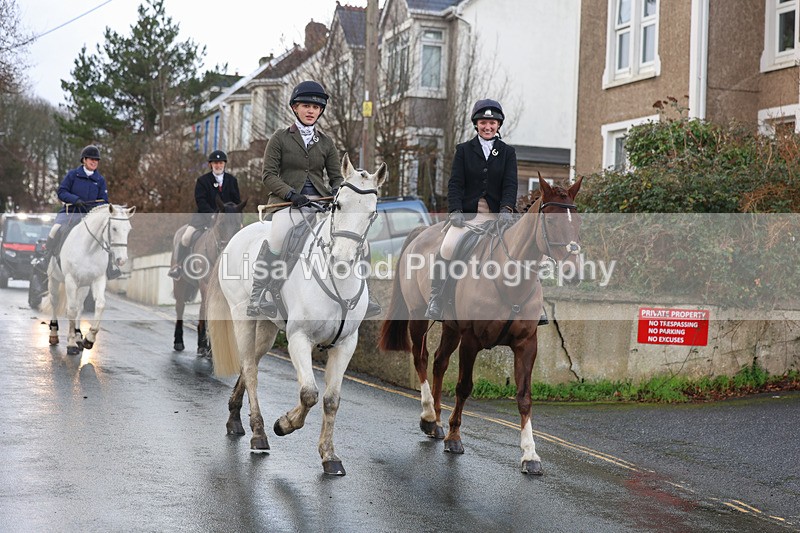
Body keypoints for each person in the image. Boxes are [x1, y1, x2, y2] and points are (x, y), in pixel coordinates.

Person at [246, 80, 381, 319]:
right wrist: (290, 194)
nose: (311, 111)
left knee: (361, 243)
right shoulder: (279, 138)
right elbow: (268, 175)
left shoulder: (326, 142)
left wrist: (343, 196)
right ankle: (259, 294)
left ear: (320, 111)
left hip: (321, 204)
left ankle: (366, 295)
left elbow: (336, 177)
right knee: (278, 237)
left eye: (316, 107)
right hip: (287, 204)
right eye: (306, 106)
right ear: (295, 108)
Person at [425, 99, 518, 321]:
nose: (488, 127)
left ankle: (532, 305)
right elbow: (456, 183)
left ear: (498, 125)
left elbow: (510, 184)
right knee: (447, 246)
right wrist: (455, 210)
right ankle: (437, 297)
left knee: (523, 249)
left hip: (498, 218)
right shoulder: (464, 150)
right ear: (476, 124)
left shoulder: (507, 152)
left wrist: (506, 208)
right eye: (484, 122)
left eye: (492, 123)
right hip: (468, 218)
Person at [43, 144, 120, 279]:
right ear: (84, 160)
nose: (94, 162)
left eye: (96, 160)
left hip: (91, 216)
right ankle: (46, 260)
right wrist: (75, 199)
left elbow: (104, 201)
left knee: (105, 236)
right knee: (55, 229)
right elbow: (61, 192)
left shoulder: (100, 180)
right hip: (71, 211)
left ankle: (110, 268)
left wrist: (97, 207)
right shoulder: (73, 175)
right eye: (91, 159)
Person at [168, 150, 241, 279]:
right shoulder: (203, 180)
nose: (218, 166)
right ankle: (178, 266)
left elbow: (237, 202)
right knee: (186, 237)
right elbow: (200, 200)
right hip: (203, 217)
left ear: (224, 164)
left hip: (227, 220)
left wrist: (238, 218)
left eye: (220, 163)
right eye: (215, 163)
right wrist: (212, 215)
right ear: (211, 165)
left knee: (241, 236)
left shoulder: (232, 180)